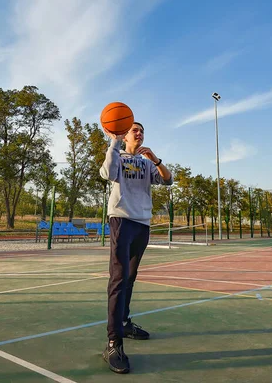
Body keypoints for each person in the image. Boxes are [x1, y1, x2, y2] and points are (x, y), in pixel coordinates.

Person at [100, 122, 173, 374]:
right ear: (125, 134)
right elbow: (108, 174)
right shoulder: (117, 155)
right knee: (119, 278)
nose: (139, 133)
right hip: (121, 219)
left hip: (142, 223)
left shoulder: (147, 161)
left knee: (130, 277)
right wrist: (114, 141)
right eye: (134, 130)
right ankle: (113, 343)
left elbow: (168, 180)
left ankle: (124, 322)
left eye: (142, 130)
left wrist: (156, 159)